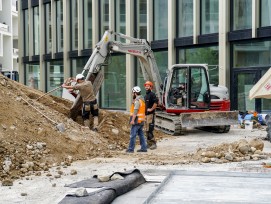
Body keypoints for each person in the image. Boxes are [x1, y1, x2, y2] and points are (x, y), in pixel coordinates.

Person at [126, 86, 147, 153]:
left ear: (135, 93)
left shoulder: (137, 101)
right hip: (141, 120)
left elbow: (135, 111)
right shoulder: (142, 100)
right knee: (141, 134)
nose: (132, 94)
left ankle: (130, 149)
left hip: (136, 120)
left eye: (133, 93)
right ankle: (144, 148)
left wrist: (132, 120)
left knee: (133, 135)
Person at [144, 81, 158, 150]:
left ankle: (153, 144)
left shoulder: (152, 94)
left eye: (148, 86)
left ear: (151, 87)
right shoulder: (145, 95)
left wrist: (151, 109)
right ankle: (149, 144)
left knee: (150, 129)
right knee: (147, 130)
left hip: (150, 115)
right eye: (146, 86)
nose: (146, 87)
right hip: (146, 115)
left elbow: (156, 103)